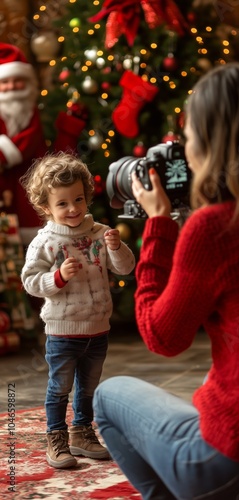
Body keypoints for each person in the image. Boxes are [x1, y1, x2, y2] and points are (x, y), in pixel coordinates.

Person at [93, 63, 239, 500]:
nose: (184, 147)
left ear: (211, 144)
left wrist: (158, 223)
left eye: (189, 136)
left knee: (107, 396)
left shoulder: (215, 229)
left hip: (233, 464)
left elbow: (164, 336)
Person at [20, 152, 135, 469]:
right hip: (63, 331)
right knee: (60, 388)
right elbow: (30, 281)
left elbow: (125, 268)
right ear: (46, 207)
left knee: (88, 388)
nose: (73, 209)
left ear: (86, 196)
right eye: (62, 204)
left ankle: (82, 432)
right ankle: (56, 435)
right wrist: (57, 277)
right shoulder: (46, 241)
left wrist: (116, 247)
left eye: (78, 199)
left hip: (98, 328)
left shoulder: (99, 233)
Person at [0, 43, 86, 245]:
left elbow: (48, 154)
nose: (12, 88)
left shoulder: (36, 116)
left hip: (30, 198)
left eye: (18, 82)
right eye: (5, 82)